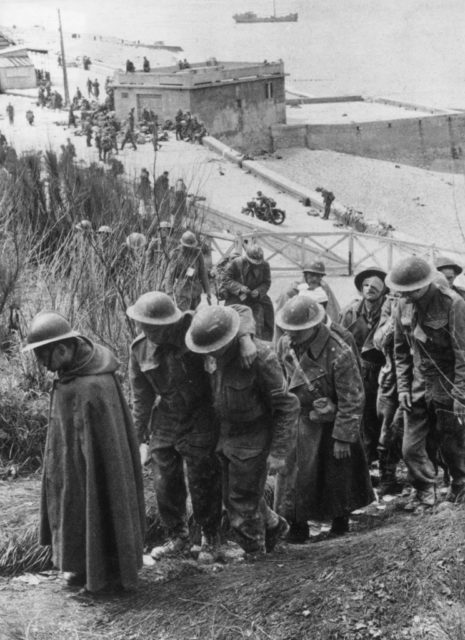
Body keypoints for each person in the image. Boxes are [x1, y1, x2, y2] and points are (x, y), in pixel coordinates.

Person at [127, 292, 256, 563]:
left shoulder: (195, 325)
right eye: (142, 326)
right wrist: (136, 437)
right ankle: (177, 536)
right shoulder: (139, 349)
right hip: (167, 415)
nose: (146, 332)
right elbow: (141, 397)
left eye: (151, 327)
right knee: (163, 476)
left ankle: (211, 537)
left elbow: (238, 311)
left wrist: (245, 339)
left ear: (168, 323)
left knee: (202, 475)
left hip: (201, 412)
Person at [22, 311, 145, 593]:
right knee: (76, 501)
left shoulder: (91, 384)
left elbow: (101, 440)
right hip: (72, 460)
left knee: (100, 495)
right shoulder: (75, 369)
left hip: (91, 461)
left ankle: (109, 572)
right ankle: (80, 565)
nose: (44, 367)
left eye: (45, 359)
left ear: (63, 349)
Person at [185, 305, 299, 556]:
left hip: (253, 438)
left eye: (215, 347)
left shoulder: (259, 356)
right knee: (235, 496)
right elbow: (231, 307)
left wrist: (279, 452)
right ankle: (273, 527)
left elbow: (287, 405)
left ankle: (254, 555)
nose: (211, 353)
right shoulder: (211, 349)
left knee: (241, 502)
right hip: (225, 437)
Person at [274, 296, 374, 543]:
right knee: (291, 477)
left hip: (328, 425)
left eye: (297, 330)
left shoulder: (338, 351)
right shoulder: (285, 344)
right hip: (297, 420)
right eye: (288, 329)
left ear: (313, 326)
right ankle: (296, 527)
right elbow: (280, 380)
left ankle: (340, 524)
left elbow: (353, 398)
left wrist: (343, 437)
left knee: (335, 475)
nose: (291, 334)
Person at [387, 256, 465, 510]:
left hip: (447, 381)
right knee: (409, 446)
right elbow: (400, 352)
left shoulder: (452, 304)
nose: (406, 296)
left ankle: (460, 486)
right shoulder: (402, 306)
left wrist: (460, 394)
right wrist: (403, 389)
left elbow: (463, 353)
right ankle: (424, 490)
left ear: (424, 285)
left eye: (411, 291)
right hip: (418, 383)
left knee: (451, 442)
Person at [339, 267, 387, 463]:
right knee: (363, 416)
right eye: (366, 286)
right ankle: (366, 459)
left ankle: (382, 458)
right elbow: (340, 341)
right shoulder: (350, 312)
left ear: (384, 290)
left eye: (375, 287)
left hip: (384, 368)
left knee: (382, 416)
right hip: (358, 369)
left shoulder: (389, 310)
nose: (369, 289)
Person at [222, 244, 274, 341]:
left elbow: (267, 282)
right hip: (237, 296)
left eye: (258, 264)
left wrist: (258, 291)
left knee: (268, 314)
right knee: (227, 317)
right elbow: (225, 279)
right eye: (254, 263)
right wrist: (240, 288)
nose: (256, 265)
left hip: (256, 297)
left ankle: (263, 340)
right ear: (247, 259)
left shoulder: (265, 265)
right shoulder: (236, 263)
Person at [275, 260, 340, 323]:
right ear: (305, 275)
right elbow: (280, 318)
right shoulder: (291, 291)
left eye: (318, 276)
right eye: (311, 275)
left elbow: (333, 311)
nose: (314, 279)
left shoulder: (324, 287)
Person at [165, 230, 211, 310]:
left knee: (192, 314)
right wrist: (169, 294)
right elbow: (169, 276)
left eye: (191, 246)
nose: (189, 249)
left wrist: (207, 290)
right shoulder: (176, 254)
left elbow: (203, 273)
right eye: (187, 246)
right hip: (182, 292)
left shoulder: (198, 253)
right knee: (184, 316)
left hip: (195, 292)